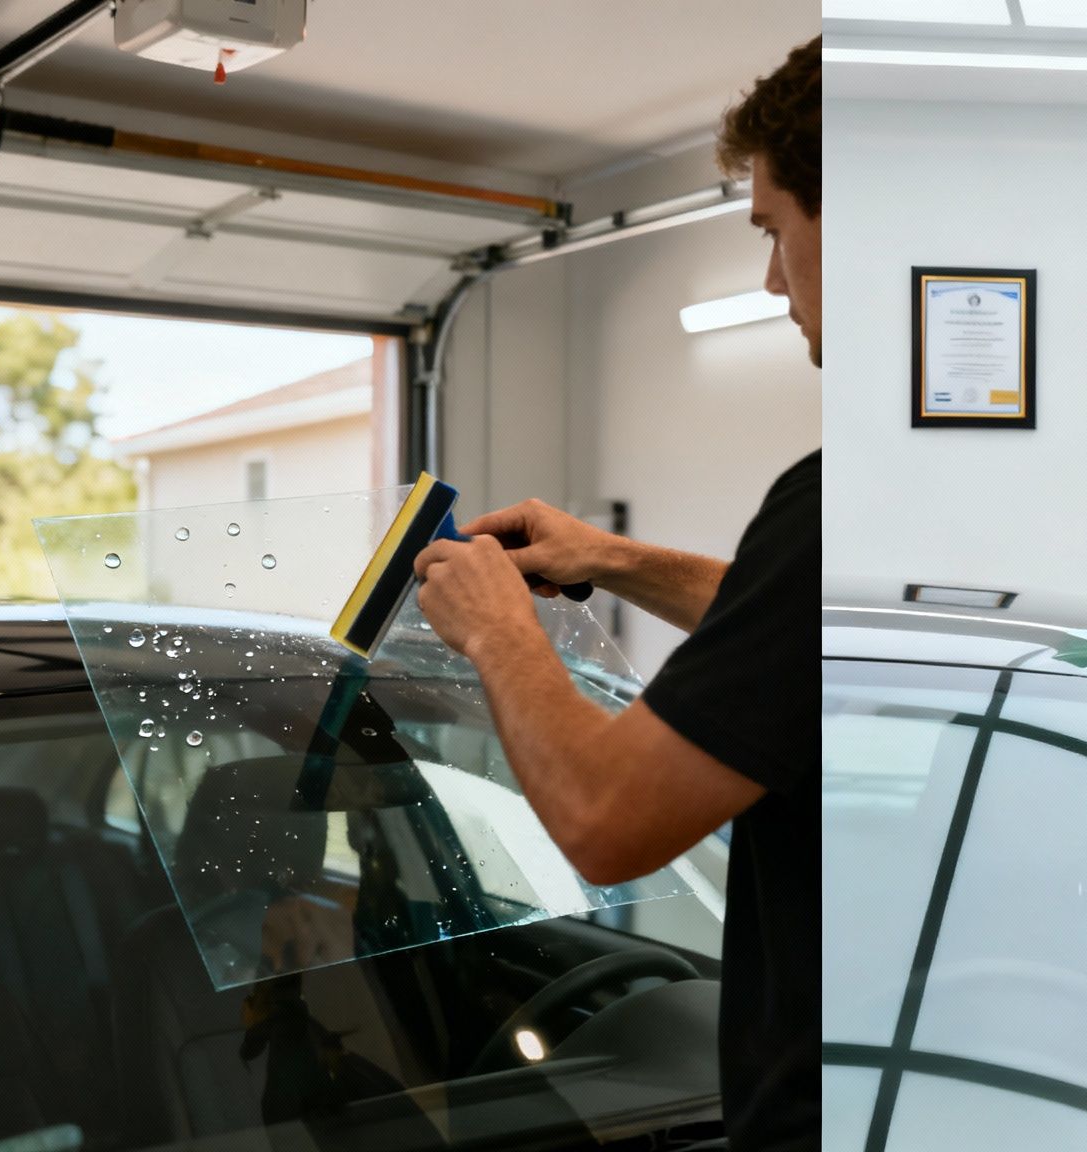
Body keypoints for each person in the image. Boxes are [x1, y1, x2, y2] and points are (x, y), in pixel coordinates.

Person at [410, 37, 820, 1152]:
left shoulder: (831, 497)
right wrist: (617, 562)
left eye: (774, 233)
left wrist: (500, 633)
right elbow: (813, 630)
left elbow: (604, 822)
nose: (773, 281)